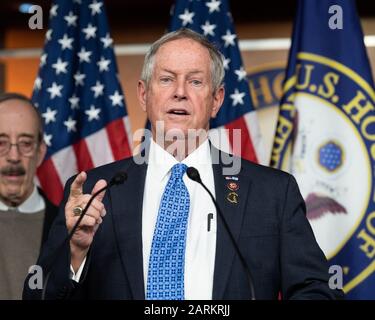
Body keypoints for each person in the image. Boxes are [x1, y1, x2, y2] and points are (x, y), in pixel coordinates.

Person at [23, 29, 343, 300]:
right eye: (166, 80)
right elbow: (36, 292)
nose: (179, 93)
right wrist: (76, 253)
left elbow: (317, 290)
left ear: (216, 100)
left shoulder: (272, 192)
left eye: (195, 82)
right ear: (144, 94)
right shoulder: (92, 191)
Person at [0, 93, 58, 299]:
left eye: (25, 143)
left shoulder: (68, 230)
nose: (13, 157)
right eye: (1, 143)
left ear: (40, 152)